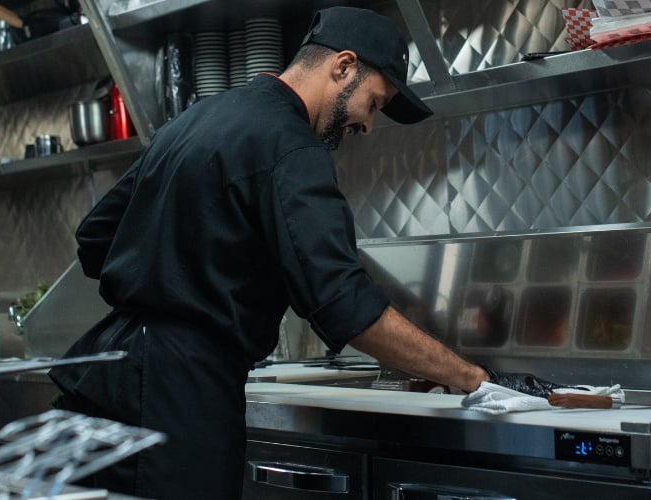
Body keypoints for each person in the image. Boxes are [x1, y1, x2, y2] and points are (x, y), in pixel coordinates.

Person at [49, 6, 491, 499]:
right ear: (342, 66)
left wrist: (180, 268)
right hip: (182, 392)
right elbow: (344, 304)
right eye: (373, 102)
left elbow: (95, 239)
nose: (367, 124)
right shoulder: (293, 147)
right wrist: (471, 377)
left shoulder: (192, 122)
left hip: (106, 375)